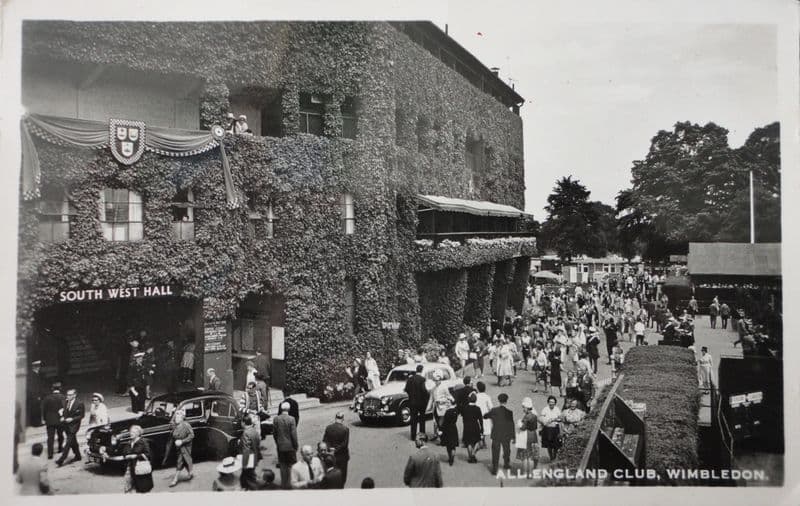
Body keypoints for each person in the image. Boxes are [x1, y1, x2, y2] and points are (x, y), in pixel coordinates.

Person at [101, 424, 153, 493]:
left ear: (138, 433)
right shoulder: (129, 442)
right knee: (128, 488)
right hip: (130, 468)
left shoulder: (143, 442)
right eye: (131, 432)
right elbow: (119, 451)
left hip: (140, 468)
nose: (131, 434)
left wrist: (136, 456)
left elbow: (148, 454)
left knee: (142, 489)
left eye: (133, 432)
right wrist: (104, 449)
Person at [483, 392, 515, 475]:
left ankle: (495, 468)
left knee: (495, 451)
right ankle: (506, 464)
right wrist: (513, 436)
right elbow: (511, 424)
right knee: (507, 450)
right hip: (506, 434)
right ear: (506, 401)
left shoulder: (494, 410)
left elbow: (486, 416)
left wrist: (488, 415)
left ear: (498, 400)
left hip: (496, 433)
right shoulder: (509, 412)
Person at [55, 388, 84, 467]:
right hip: (66, 425)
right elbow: (64, 411)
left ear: (75, 395)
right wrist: (62, 417)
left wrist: (72, 419)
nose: (68, 396)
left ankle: (61, 459)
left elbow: (81, 415)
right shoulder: (65, 402)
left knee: (68, 443)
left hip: (74, 426)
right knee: (73, 442)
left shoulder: (79, 403)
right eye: (67, 394)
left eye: (70, 395)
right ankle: (78, 456)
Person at [165, 409, 194, 487]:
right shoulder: (175, 425)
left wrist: (182, 441)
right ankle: (190, 473)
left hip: (185, 447)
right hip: (178, 447)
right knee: (184, 461)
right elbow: (171, 426)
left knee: (180, 461)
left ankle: (175, 479)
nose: (176, 417)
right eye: (176, 415)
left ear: (182, 417)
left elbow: (191, 436)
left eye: (179, 415)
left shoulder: (186, 425)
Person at [273, 401, 298, 489]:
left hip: (280, 446)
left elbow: (275, 433)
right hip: (290, 446)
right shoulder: (292, 419)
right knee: (291, 465)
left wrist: (278, 442)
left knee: (283, 465)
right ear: (289, 409)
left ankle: (284, 484)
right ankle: (291, 483)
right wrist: (296, 445)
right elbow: (293, 435)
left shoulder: (276, 419)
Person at [322, 411, 350, 485]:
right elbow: (345, 444)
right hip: (342, 456)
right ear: (343, 419)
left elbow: (325, 441)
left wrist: (330, 449)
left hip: (331, 456)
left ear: (335, 418)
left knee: (331, 474)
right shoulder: (345, 429)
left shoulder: (328, 428)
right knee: (342, 476)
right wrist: (336, 449)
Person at [404, 364, 430, 441]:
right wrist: (427, 397)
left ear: (416, 370)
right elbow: (424, 391)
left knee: (413, 419)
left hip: (412, 402)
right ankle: (422, 435)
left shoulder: (410, 379)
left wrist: (411, 396)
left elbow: (406, 389)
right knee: (422, 419)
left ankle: (413, 436)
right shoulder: (422, 379)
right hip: (421, 403)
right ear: (421, 370)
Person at [239, 414, 263, 490]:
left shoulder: (245, 433)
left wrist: (245, 464)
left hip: (249, 460)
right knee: (247, 477)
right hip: (255, 457)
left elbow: (246, 450)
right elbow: (257, 444)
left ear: (243, 423)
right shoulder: (254, 431)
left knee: (248, 479)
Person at [41, 382, 65, 459]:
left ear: (52, 389)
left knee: (50, 437)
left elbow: (44, 410)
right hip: (59, 420)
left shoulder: (47, 398)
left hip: (50, 420)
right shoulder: (63, 397)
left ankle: (50, 454)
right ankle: (60, 449)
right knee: (60, 435)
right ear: (60, 388)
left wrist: (44, 419)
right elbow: (65, 409)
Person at [517, 397, 539, 478]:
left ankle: (525, 473)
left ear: (527, 407)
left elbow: (523, 427)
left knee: (525, 456)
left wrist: (519, 423)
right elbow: (536, 426)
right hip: (533, 435)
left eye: (524, 408)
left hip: (526, 435)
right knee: (531, 456)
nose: (523, 409)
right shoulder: (534, 416)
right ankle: (530, 473)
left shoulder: (527, 416)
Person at [429, 370, 454, 439]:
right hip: (435, 407)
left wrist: (445, 401)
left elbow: (448, 396)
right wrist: (428, 408)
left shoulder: (444, 387)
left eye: (437, 380)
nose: (436, 382)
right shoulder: (433, 388)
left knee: (441, 423)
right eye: (435, 380)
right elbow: (431, 399)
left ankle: (442, 438)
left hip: (443, 407)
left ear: (440, 380)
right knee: (435, 422)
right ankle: (436, 435)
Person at [461, 392, 484, 463]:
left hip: (467, 426)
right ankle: (473, 454)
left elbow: (463, 418)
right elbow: (480, 419)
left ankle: (470, 457)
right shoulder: (477, 408)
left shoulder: (465, 408)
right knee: (478, 441)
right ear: (475, 400)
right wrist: (482, 428)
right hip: (475, 426)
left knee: (469, 443)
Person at [539, 395, 562, 462]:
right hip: (548, 429)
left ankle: (554, 455)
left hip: (555, 428)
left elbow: (560, 418)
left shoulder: (557, 409)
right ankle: (551, 457)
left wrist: (555, 419)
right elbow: (541, 418)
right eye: (550, 402)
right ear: (548, 402)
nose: (551, 403)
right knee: (548, 444)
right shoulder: (545, 409)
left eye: (553, 402)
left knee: (556, 444)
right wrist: (545, 421)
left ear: (555, 403)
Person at [474, 381, 493, 449]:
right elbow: (491, 407)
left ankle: (480, 441)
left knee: (478, 428)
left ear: (478, 389)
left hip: (476, 414)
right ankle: (483, 441)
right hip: (484, 415)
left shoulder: (475, 396)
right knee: (484, 428)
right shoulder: (487, 397)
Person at [27, 360, 46, 427]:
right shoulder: (33, 375)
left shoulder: (37, 374)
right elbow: (34, 387)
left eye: (38, 366)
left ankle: (36, 422)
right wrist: (37, 396)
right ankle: (36, 423)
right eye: (37, 366)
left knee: (37, 408)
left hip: (37, 395)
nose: (39, 367)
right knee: (36, 409)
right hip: (35, 395)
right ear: (34, 367)